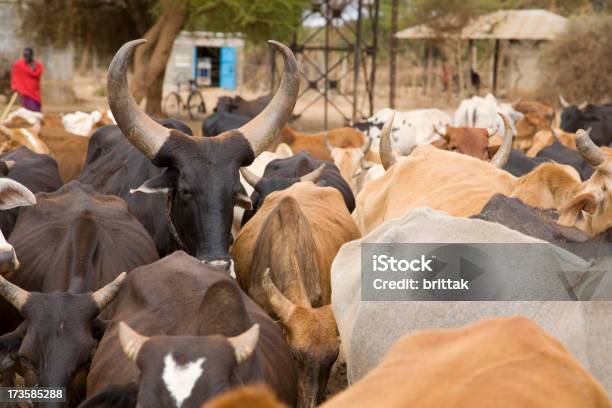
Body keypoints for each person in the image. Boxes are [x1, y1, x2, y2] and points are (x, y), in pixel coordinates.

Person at [11, 47, 44, 112]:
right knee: (27, 112)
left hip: (35, 94)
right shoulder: (19, 65)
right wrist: (15, 86)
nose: (26, 57)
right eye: (25, 55)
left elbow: (37, 73)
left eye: (28, 55)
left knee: (36, 112)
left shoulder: (38, 66)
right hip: (25, 93)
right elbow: (15, 75)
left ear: (31, 55)